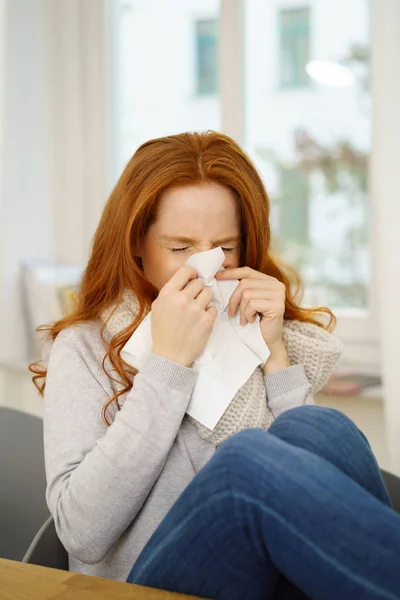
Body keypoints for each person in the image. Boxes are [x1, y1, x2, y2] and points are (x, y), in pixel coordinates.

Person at [30, 131, 400, 600]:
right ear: (136, 244)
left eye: (224, 247)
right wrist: (167, 364)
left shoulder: (252, 325)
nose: (206, 268)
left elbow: (309, 483)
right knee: (246, 463)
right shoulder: (81, 347)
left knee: (323, 429)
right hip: (141, 586)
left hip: (266, 581)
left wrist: (275, 355)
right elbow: (81, 531)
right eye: (181, 248)